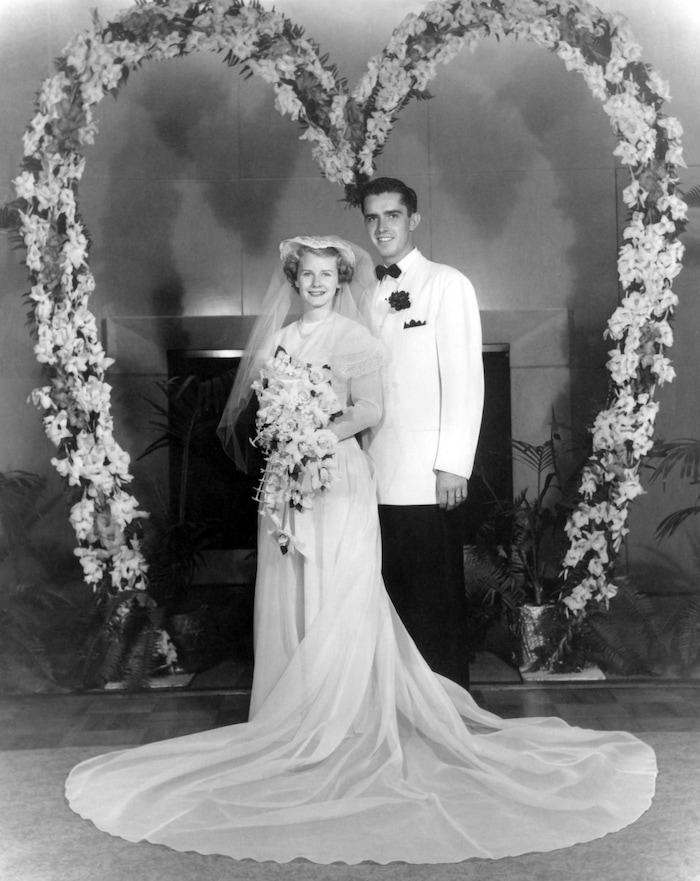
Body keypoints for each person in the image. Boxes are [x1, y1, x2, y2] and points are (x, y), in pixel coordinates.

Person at [65, 235, 656, 865]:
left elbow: (372, 409)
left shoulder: (356, 338)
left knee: (340, 585)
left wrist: (317, 432)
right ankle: (294, 714)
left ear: (341, 279)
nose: (317, 283)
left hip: (338, 475)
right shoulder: (279, 341)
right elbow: (264, 414)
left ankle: (345, 715)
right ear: (294, 278)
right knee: (291, 587)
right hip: (288, 480)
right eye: (307, 274)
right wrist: (287, 436)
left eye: (328, 274)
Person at [360, 177, 483, 689]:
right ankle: (396, 709)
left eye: (392, 215)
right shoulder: (362, 294)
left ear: (413, 219)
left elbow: (464, 379)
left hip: (428, 476)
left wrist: (453, 463)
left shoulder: (447, 284)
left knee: (433, 602)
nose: (382, 227)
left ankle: (445, 708)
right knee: (388, 598)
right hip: (371, 474)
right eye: (372, 217)